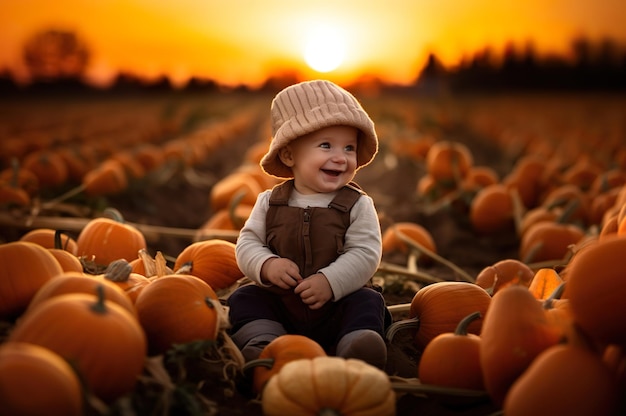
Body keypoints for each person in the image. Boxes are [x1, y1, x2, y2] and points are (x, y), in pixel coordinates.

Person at [227, 79, 390, 369]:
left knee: (368, 301)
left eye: (349, 148)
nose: (340, 158)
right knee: (245, 297)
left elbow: (365, 253)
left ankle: (355, 344)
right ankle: (265, 342)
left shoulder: (357, 204)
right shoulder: (269, 202)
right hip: (281, 305)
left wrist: (331, 281)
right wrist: (266, 265)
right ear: (289, 155)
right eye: (326, 145)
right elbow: (247, 244)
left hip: (336, 307)